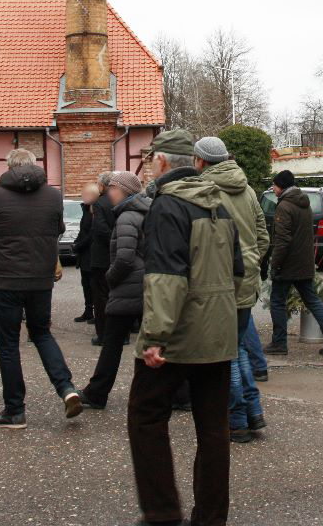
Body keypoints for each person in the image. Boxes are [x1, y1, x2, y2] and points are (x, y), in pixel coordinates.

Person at [127, 129, 243, 526]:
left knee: (145, 415)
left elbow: (166, 277)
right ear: (191, 164)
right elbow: (239, 273)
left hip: (178, 333)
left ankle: (161, 511)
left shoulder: (167, 207)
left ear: (162, 162)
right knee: (214, 428)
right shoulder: (220, 206)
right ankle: (211, 518)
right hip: (218, 333)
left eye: (150, 160)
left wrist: (156, 337)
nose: (148, 168)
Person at [0, 148, 80, 428]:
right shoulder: (53, 195)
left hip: (7, 279)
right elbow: (58, 228)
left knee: (8, 344)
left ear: (10, 167)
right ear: (36, 167)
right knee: (42, 334)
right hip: (40, 278)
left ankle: (15, 411)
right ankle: (67, 388)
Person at [194, 136, 270, 444]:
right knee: (237, 348)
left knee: (226, 354)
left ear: (201, 161)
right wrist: (251, 261)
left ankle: (237, 421)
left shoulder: (205, 191)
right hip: (247, 280)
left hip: (221, 283)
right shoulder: (249, 189)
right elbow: (263, 235)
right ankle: (253, 413)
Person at [80, 171, 150, 409]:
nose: (109, 192)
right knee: (153, 339)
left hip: (129, 286)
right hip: (146, 284)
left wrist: (111, 278)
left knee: (112, 342)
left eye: (113, 188)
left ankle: (97, 393)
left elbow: (125, 258)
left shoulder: (127, 217)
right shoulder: (145, 211)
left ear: (124, 190)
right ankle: (180, 395)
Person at [264, 170, 323, 357]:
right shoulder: (304, 203)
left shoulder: (284, 206)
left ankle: (279, 343)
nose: (273, 189)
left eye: (274, 185)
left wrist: (275, 264)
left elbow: (282, 240)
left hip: (287, 264)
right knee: (313, 301)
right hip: (304, 262)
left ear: (281, 186)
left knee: (277, 302)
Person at [90, 171, 116, 345]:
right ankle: (121, 335)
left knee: (101, 297)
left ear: (102, 185)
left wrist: (112, 242)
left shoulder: (99, 202)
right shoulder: (119, 200)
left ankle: (103, 335)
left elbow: (100, 229)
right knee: (116, 295)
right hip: (117, 255)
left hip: (102, 257)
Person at [71, 182, 100, 323]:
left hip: (92, 254)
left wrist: (79, 245)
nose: (83, 196)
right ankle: (88, 311)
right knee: (86, 284)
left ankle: (97, 312)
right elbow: (83, 231)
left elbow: (93, 233)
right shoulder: (86, 209)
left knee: (94, 285)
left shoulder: (96, 210)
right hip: (84, 255)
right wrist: (76, 243)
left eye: (86, 194)